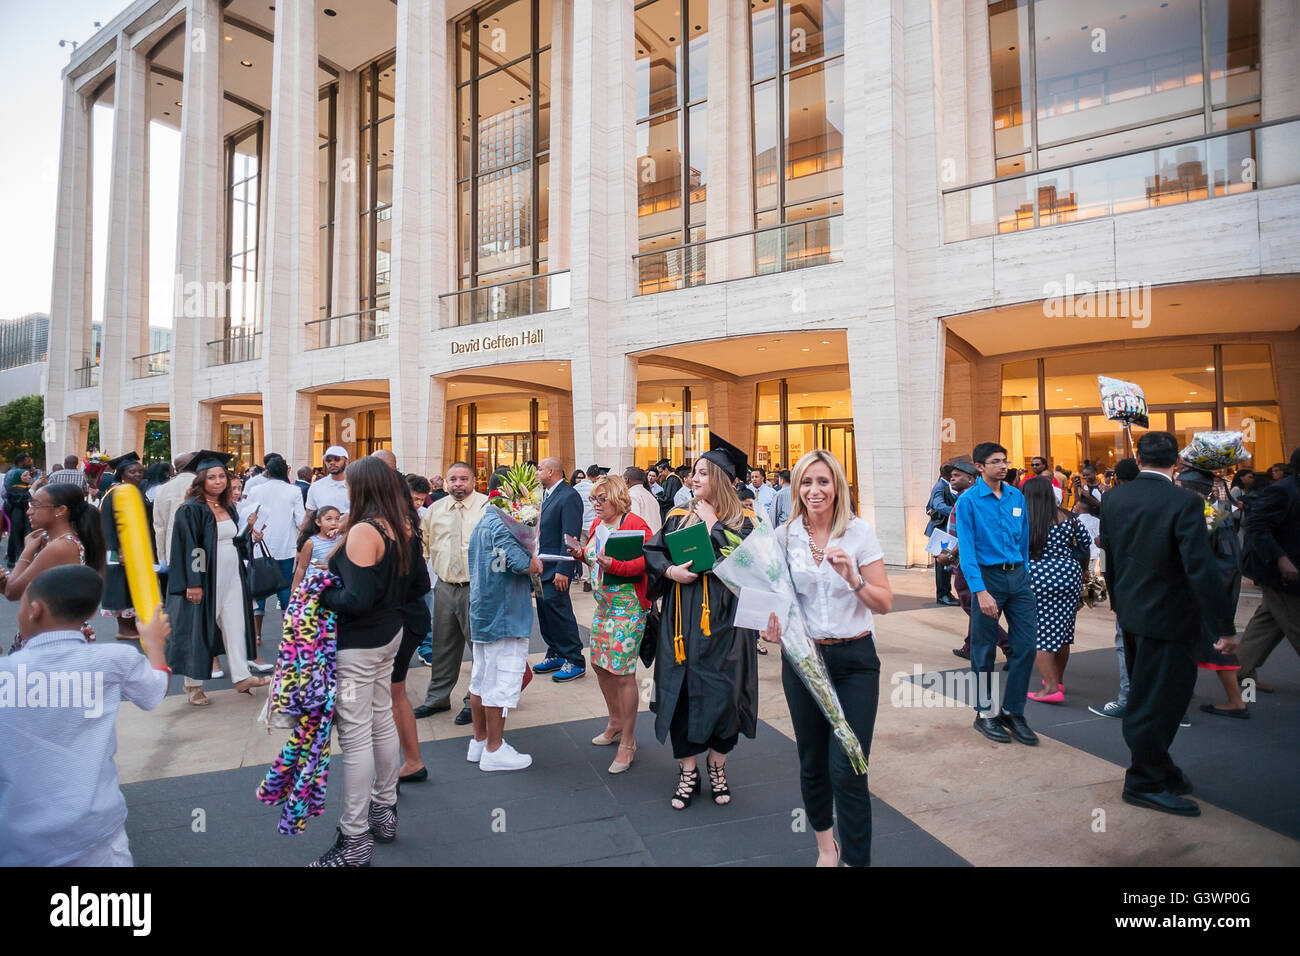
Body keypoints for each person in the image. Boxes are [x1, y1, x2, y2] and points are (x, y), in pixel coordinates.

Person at [759, 449, 891, 867]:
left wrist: (854, 579)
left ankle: (857, 860)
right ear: (796, 487)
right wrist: (769, 624)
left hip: (855, 659)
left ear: (837, 486)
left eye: (823, 481)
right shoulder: (782, 536)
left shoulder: (859, 533)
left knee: (850, 766)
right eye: (807, 482)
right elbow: (775, 600)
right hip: (804, 661)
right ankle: (825, 848)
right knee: (813, 762)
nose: (815, 490)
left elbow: (884, 601)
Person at [1100, 432, 1236, 817]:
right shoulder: (1184, 503)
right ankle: (1143, 780)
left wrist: (1118, 604)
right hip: (1170, 618)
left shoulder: (1113, 498)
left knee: (1148, 695)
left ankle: (1158, 767)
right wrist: (1224, 628)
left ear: (1138, 457)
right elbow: (1201, 569)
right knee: (1162, 701)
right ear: (1176, 461)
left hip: (1133, 613)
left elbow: (1112, 559)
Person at [0, 566, 172, 866]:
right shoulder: (114, 660)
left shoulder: (6, 674)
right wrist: (154, 644)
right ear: (91, 614)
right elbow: (153, 692)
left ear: (34, 610)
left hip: (19, 839)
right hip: (97, 831)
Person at [310, 456, 415, 866]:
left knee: (355, 739)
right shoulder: (401, 525)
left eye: (349, 484)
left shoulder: (363, 532)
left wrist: (321, 590)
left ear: (362, 487)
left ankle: (354, 837)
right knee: (381, 718)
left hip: (357, 645)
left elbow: (356, 599)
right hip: (389, 636)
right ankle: (384, 812)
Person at [644, 448, 758, 810]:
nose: (695, 478)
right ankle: (688, 770)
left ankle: (717, 765)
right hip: (682, 619)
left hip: (726, 621)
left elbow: (754, 569)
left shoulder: (744, 522)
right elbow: (653, 551)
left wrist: (713, 527)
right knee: (681, 691)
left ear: (723, 479)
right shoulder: (678, 515)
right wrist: (670, 571)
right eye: (694, 472)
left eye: (704, 473)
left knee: (726, 694)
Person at [164, 451, 269, 705]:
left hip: (232, 573)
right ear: (201, 481)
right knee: (198, 628)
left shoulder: (227, 506)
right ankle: (193, 685)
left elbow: (232, 541)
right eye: (212, 477)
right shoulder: (191, 510)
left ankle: (242, 676)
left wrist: (249, 535)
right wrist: (194, 582)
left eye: (222, 476)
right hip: (206, 576)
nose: (218, 481)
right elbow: (193, 548)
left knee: (235, 623)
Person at [952, 441, 1038, 746]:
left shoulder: (1016, 495)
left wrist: (1024, 571)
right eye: (996, 462)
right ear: (979, 467)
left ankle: (1014, 711)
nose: (1003, 466)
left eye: (1005, 461)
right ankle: (984, 713)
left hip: (1018, 578)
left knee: (1025, 646)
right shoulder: (968, 502)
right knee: (984, 649)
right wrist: (980, 591)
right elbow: (968, 551)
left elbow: (1024, 538)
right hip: (987, 579)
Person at [567, 474, 653, 774]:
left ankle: (628, 741)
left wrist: (613, 565)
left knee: (623, 673)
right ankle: (615, 721)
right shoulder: (596, 526)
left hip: (628, 609)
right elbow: (596, 560)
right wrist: (582, 555)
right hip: (604, 608)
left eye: (601, 499)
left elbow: (647, 562)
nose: (596, 504)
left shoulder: (634, 524)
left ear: (617, 497)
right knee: (600, 665)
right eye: (594, 499)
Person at [463, 497, 544, 773]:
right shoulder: (500, 523)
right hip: (504, 614)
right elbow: (518, 561)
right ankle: (494, 750)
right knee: (499, 682)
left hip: (485, 612)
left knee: (481, 680)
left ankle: (480, 741)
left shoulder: (483, 521)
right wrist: (533, 561)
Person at [414, 462, 487, 722]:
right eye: (453, 479)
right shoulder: (434, 510)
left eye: (463, 479)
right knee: (442, 645)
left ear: (474, 481)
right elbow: (424, 548)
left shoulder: (488, 508)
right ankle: (437, 699)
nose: (458, 484)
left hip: (477, 588)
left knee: (479, 647)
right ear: (446, 482)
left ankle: (474, 701)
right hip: (444, 587)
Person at [1174, 466, 1248, 718]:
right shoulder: (1215, 512)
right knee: (1205, 642)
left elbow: (1209, 560)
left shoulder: (1207, 516)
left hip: (1205, 592)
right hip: (1212, 589)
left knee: (1215, 643)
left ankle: (1236, 701)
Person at [1234, 446, 1300, 696]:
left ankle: (1241, 668)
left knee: (1267, 622)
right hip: (1283, 572)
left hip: (1285, 570)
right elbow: (1256, 525)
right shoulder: (1283, 492)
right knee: (1294, 620)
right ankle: (1241, 673)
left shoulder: (1288, 490)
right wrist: (1280, 558)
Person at [1022, 476, 1088, 705]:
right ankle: (1057, 680)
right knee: (1063, 633)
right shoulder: (1070, 518)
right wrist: (1084, 572)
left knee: (1042, 635)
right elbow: (1085, 543)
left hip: (1039, 578)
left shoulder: (1025, 520)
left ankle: (1050, 688)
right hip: (1070, 576)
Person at [3, 484, 107, 618]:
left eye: (35, 505)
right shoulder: (55, 541)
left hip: (54, 631)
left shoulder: (60, 547)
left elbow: (13, 592)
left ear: (60, 510)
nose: (29, 511)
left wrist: (27, 550)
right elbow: (19, 587)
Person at [389, 469, 432, 785]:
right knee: (395, 693)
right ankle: (409, 762)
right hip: (406, 619)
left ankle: (403, 764)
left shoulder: (402, 527)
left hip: (402, 620)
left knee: (391, 694)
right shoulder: (403, 524)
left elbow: (417, 583)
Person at [1089, 457, 1140, 719]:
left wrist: (1110, 588)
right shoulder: (1179, 497)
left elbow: (1106, 545)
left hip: (1127, 582)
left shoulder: (1112, 499)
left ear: (1117, 478)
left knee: (1126, 643)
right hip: (1166, 587)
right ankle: (1172, 704)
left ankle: (1127, 698)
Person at [241, 454, 305, 668]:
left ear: (266, 470)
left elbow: (247, 515)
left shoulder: (255, 489)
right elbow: (300, 519)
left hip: (260, 546)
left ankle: (257, 635)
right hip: (286, 547)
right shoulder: (294, 491)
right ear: (286, 470)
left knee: (258, 591)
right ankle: (288, 637)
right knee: (286, 590)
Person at [945, 461, 1012, 663]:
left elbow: (971, 535)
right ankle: (970, 645)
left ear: (972, 478)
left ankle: (1010, 647)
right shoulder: (967, 497)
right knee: (975, 605)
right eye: (952, 475)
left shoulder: (969, 499)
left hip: (969, 562)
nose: (952, 478)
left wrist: (950, 555)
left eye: (957, 475)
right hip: (969, 560)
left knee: (972, 605)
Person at [532, 457, 586, 681]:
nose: (536, 472)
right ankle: (555, 652)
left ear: (551, 471)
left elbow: (570, 535)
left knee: (560, 613)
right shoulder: (544, 495)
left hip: (556, 567)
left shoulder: (568, 495)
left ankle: (574, 658)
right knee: (545, 613)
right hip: (541, 566)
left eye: (540, 469)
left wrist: (565, 568)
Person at [98, 453, 149, 640]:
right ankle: (124, 629)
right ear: (122, 473)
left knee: (130, 585)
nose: (137, 475)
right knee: (121, 586)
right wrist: (117, 548)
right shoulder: (115, 493)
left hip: (134, 546)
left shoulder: (134, 490)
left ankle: (131, 626)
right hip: (119, 548)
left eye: (139, 471)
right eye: (132, 471)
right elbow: (107, 523)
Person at [152, 451, 197, 564]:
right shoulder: (202, 485)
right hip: (199, 551)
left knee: (177, 580)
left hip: (172, 549)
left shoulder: (162, 489)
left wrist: (162, 558)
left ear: (176, 468)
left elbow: (159, 527)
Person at [926, 464, 959, 606]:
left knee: (946, 563)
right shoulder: (940, 486)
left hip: (944, 530)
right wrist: (956, 513)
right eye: (954, 474)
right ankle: (943, 595)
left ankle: (946, 593)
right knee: (942, 564)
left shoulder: (944, 485)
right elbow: (937, 505)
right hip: (941, 531)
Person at [291, 505, 343, 593]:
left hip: (334, 586)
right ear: (318, 522)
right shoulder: (311, 542)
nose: (334, 523)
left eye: (337, 519)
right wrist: (294, 591)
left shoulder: (341, 539)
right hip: (314, 587)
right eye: (328, 519)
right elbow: (301, 568)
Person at [4, 452, 37, 568]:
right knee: (17, 534)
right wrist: (32, 489)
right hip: (18, 516)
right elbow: (22, 499)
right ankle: (17, 559)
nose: (29, 478)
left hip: (24, 517)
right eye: (25, 476)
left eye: (29, 476)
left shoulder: (24, 487)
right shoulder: (15, 490)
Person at [305, 445, 350, 523]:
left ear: (346, 461)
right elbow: (309, 515)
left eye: (337, 459)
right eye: (328, 460)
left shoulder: (357, 486)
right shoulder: (316, 486)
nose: (332, 463)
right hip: (324, 533)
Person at [623, 466, 663, 536]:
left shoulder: (632, 496)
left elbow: (633, 524)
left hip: (642, 542)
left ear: (626, 479)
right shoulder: (650, 496)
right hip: (654, 540)